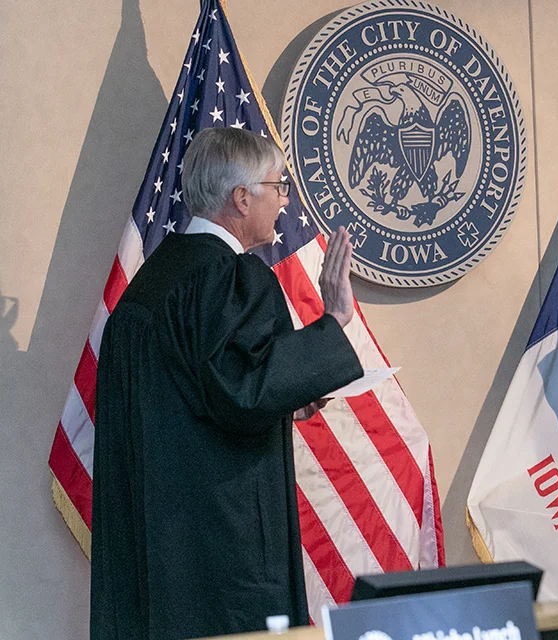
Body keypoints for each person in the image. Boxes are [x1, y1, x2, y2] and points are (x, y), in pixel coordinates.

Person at [90, 127, 364, 639]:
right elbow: (244, 391)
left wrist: (292, 401)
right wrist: (335, 321)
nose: (284, 203)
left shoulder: (147, 286)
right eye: (279, 186)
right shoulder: (234, 278)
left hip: (151, 549)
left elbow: (204, 392)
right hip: (221, 554)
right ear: (242, 197)